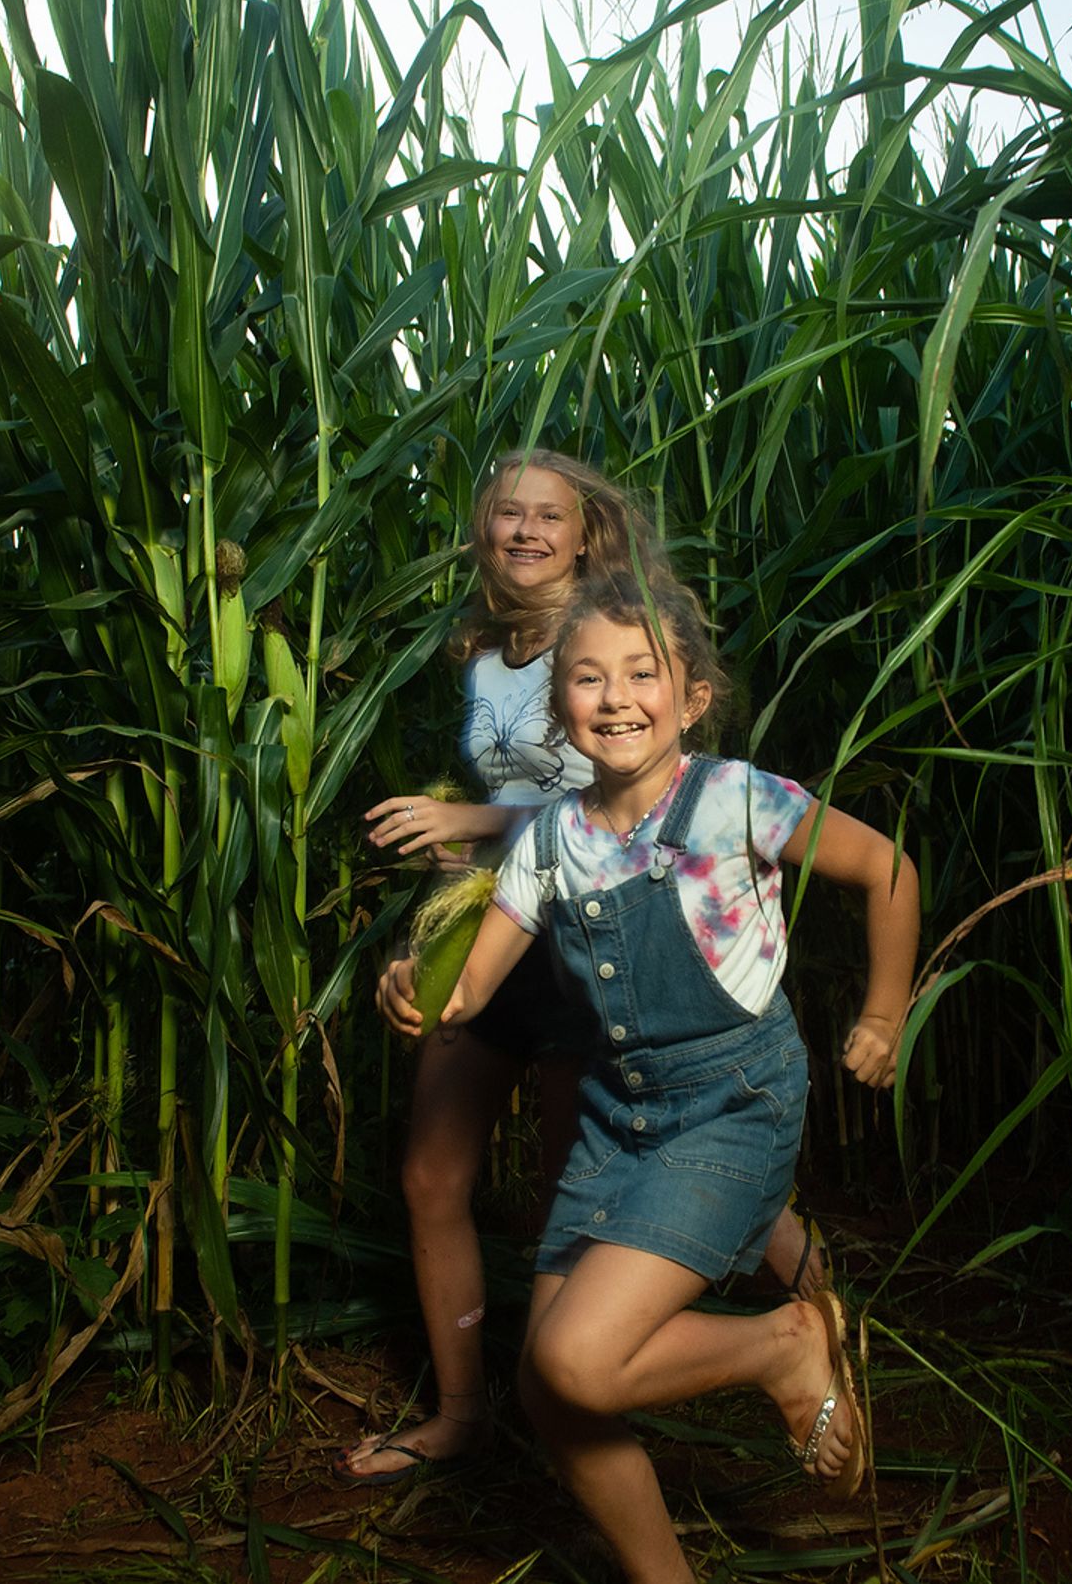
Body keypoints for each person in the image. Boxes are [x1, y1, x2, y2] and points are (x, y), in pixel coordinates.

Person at [388, 574, 919, 1580]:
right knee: (552, 1395)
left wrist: (884, 1013)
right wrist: (419, 984)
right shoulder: (550, 841)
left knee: (577, 1358)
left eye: (644, 673)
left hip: (733, 1107)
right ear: (560, 707)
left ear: (691, 697)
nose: (617, 695)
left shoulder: (732, 799)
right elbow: (473, 980)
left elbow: (887, 869)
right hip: (616, 1119)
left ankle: (781, 1341)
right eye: (588, 678)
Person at [340, 453, 824, 1488]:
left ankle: (806, 1341)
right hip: (509, 930)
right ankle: (470, 1413)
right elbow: (533, 834)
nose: (521, 530)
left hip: (597, 968)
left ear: (585, 531)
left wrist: (471, 820)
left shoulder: (608, 635)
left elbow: (619, 813)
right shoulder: (480, 652)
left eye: (544, 514)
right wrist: (442, 918)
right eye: (503, 510)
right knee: (433, 1171)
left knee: (607, 1200)